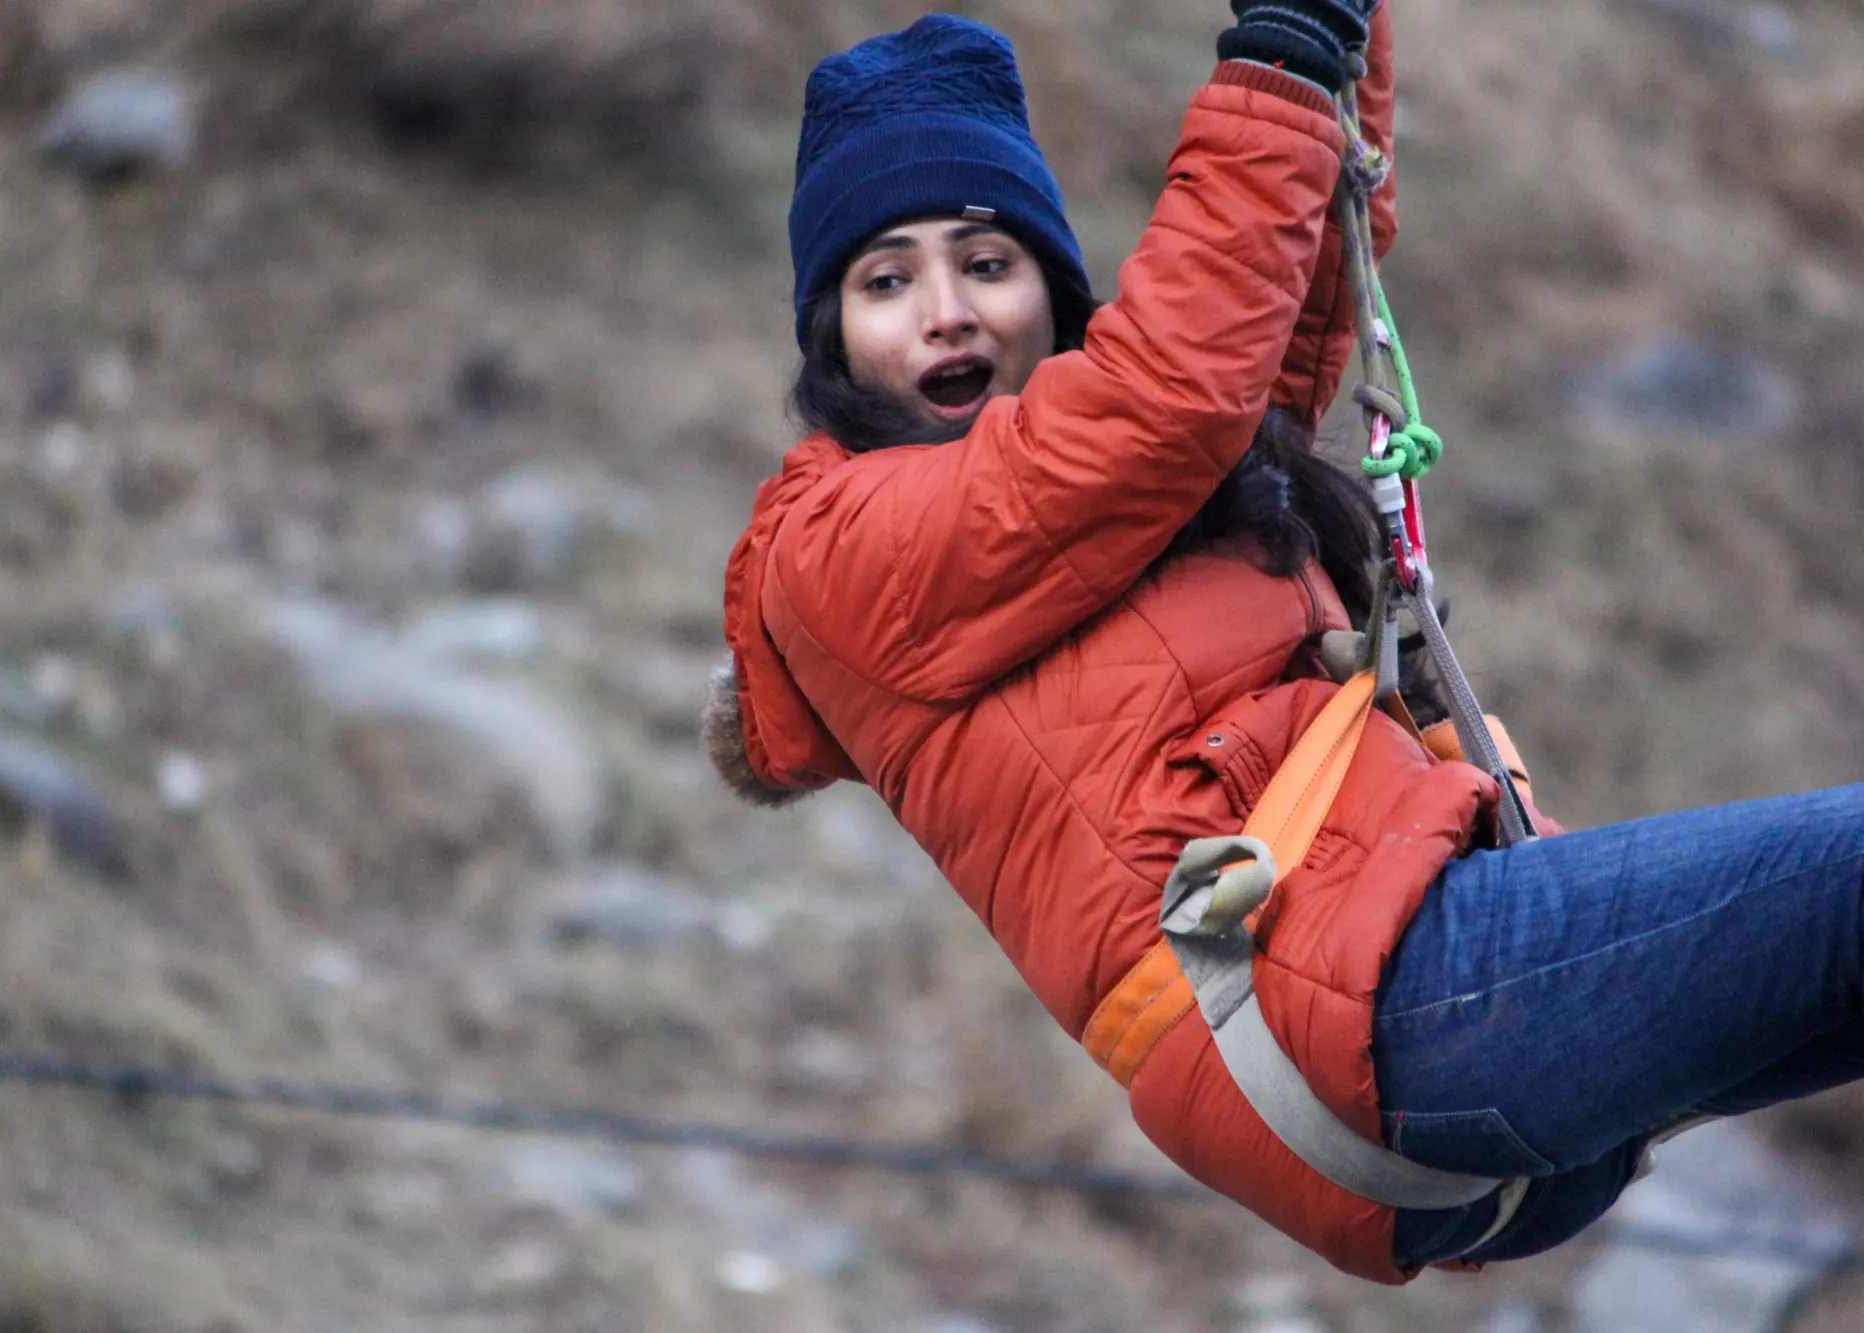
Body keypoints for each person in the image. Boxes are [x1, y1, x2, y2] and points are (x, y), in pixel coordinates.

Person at [704, 0, 1864, 1285]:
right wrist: (1272, 59)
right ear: (832, 340)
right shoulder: (835, 556)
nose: (945, 313)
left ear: (1048, 287)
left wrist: (1336, 50)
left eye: (986, 262)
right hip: (1376, 1023)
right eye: (885, 280)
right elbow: (1170, 392)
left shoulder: (1128, 480)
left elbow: (1285, 291)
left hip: (1431, 1022)